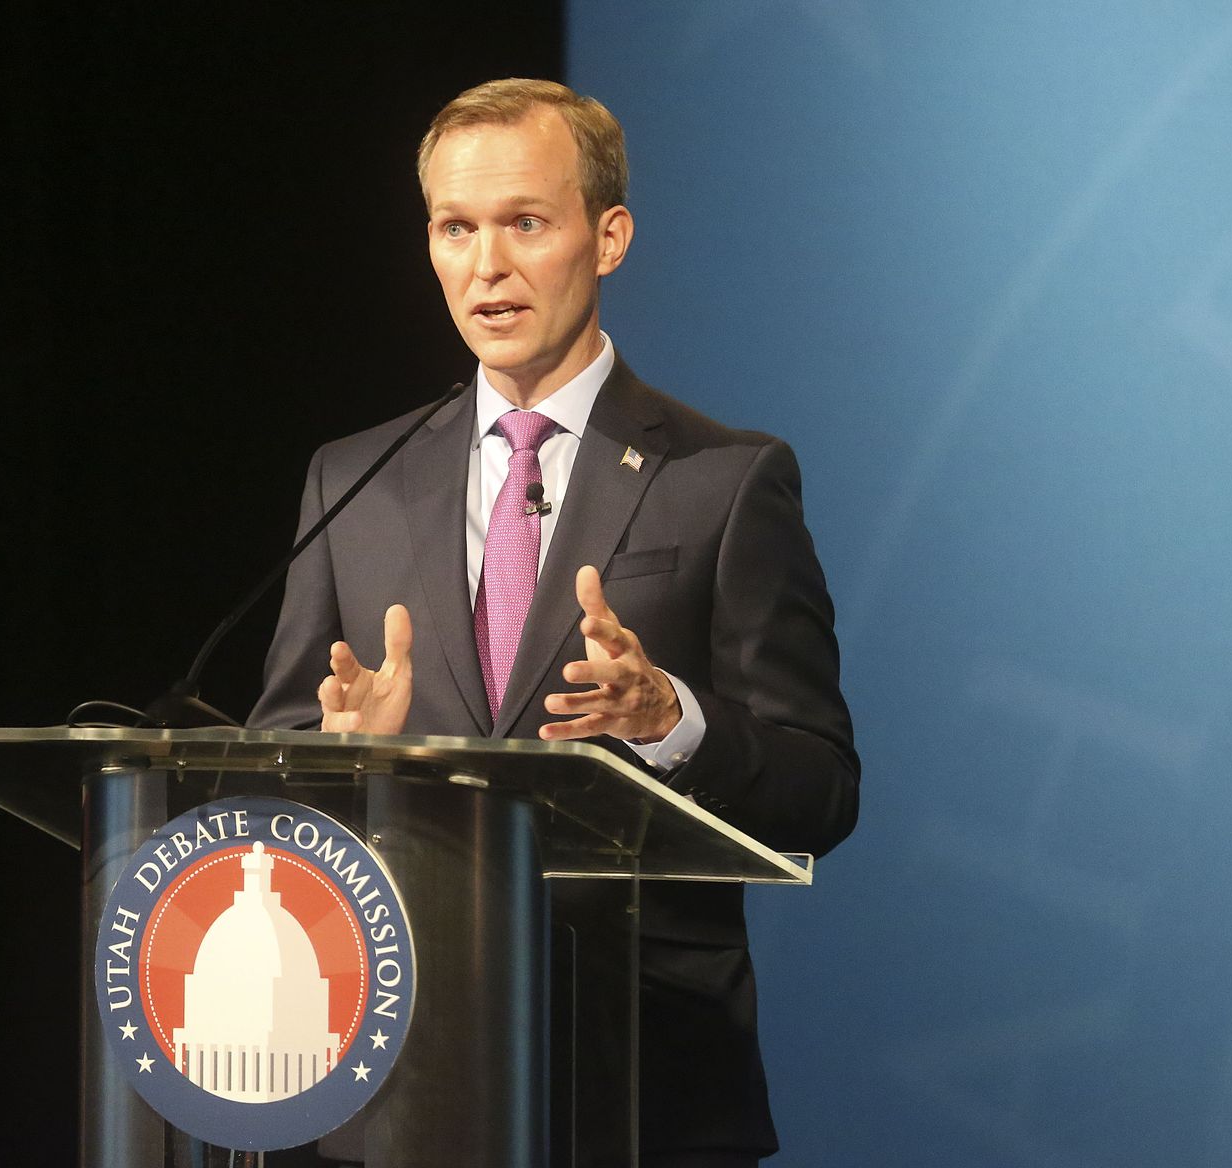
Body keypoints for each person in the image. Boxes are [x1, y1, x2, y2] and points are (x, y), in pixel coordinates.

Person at [250, 78, 858, 1166]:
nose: (487, 265)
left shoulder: (722, 481)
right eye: (455, 228)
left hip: (638, 1078)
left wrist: (670, 717)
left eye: (525, 222)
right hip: (396, 1072)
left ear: (607, 236)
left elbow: (821, 787)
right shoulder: (355, 481)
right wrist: (344, 765)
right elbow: (272, 760)